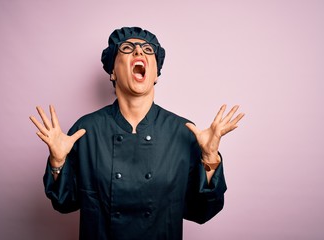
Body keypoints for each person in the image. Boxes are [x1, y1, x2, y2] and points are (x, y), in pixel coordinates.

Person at [30, 27, 244, 240]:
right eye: (127, 48)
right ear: (112, 70)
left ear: (156, 74)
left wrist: (209, 159)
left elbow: (201, 211)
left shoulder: (183, 132)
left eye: (147, 49)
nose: (139, 52)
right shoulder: (86, 130)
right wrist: (57, 162)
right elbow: (64, 203)